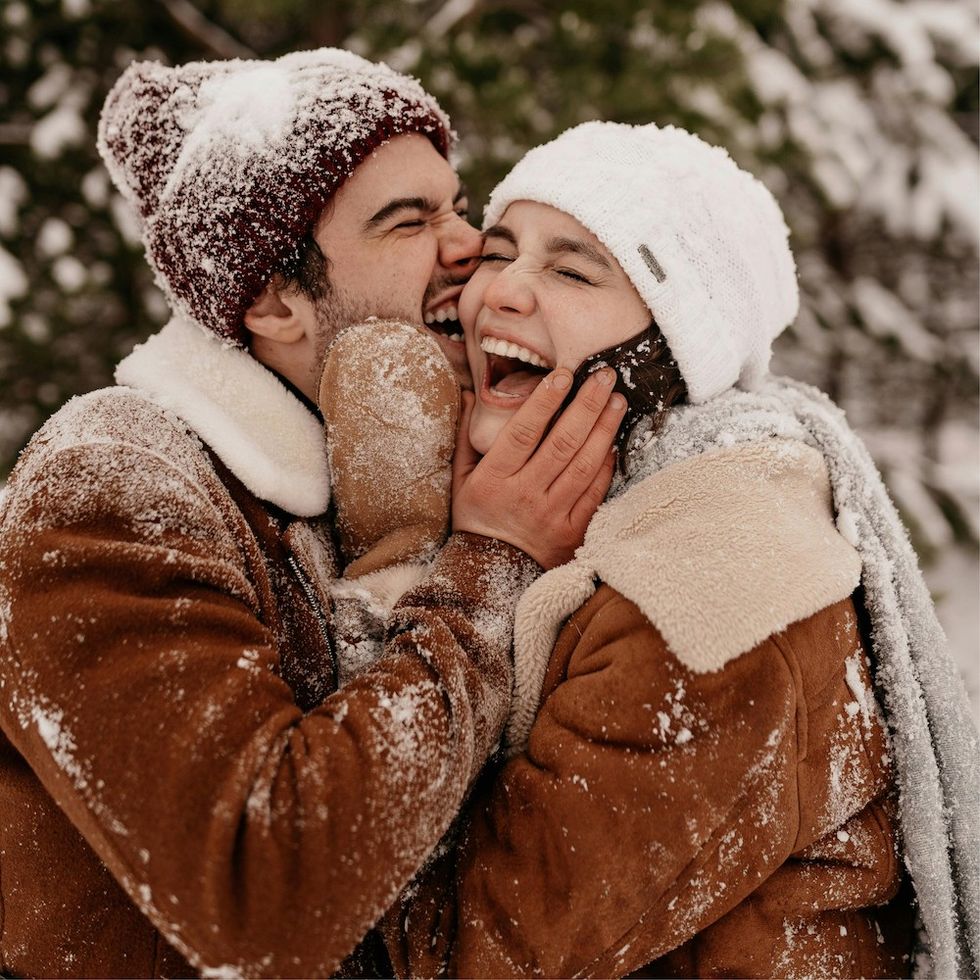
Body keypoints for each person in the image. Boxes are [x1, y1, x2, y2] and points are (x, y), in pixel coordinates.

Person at [0, 52, 627, 977]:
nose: (467, 246)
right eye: (409, 221)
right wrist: (491, 563)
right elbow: (258, 890)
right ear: (272, 300)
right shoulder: (114, 485)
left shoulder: (398, 467)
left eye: (457, 206)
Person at [380, 122, 980, 979]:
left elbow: (462, 955)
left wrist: (459, 569)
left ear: (672, 346)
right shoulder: (614, 527)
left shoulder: (717, 587)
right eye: (500, 252)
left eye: (573, 269)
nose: (498, 294)